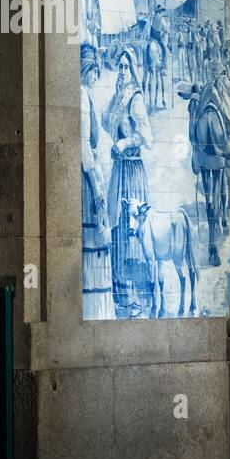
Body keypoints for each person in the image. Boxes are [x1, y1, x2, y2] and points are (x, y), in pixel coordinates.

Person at [103, 43, 152, 317]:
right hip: (119, 170)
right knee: (117, 227)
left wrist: (123, 144)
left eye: (126, 66)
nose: (121, 71)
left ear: (132, 69)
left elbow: (145, 134)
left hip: (132, 169)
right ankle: (121, 294)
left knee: (131, 228)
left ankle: (135, 296)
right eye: (119, 66)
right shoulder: (118, 95)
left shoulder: (135, 97)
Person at [80, 44, 114, 319]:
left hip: (91, 174)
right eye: (94, 71)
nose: (96, 77)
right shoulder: (80, 95)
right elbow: (83, 145)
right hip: (87, 178)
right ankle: (94, 310)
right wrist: (95, 181)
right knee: (93, 240)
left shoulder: (86, 95)